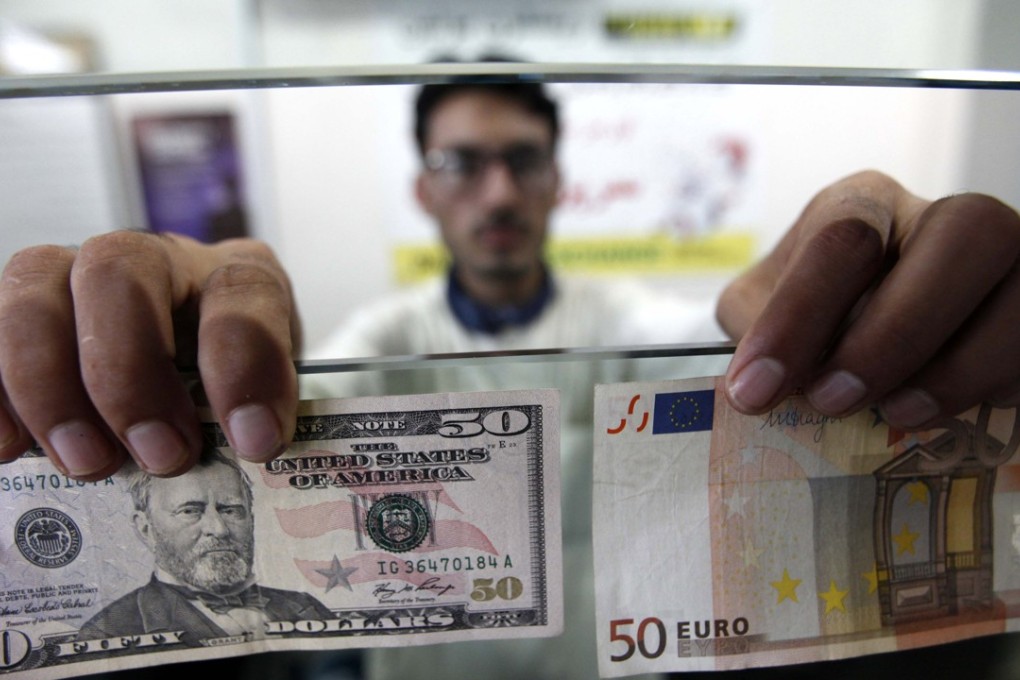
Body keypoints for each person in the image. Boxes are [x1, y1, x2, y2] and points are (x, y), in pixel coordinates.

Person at [0, 74, 1019, 679]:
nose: (496, 190)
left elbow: (737, 366)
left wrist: (855, 310)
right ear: (423, 188)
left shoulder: (633, 331)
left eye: (522, 160)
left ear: (555, 183)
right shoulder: (370, 339)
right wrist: (183, 400)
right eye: (463, 163)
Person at [78, 448, 334, 646]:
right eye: (190, 511)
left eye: (231, 510)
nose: (219, 529)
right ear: (146, 528)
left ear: (251, 520)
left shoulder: (305, 607)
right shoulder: (106, 631)